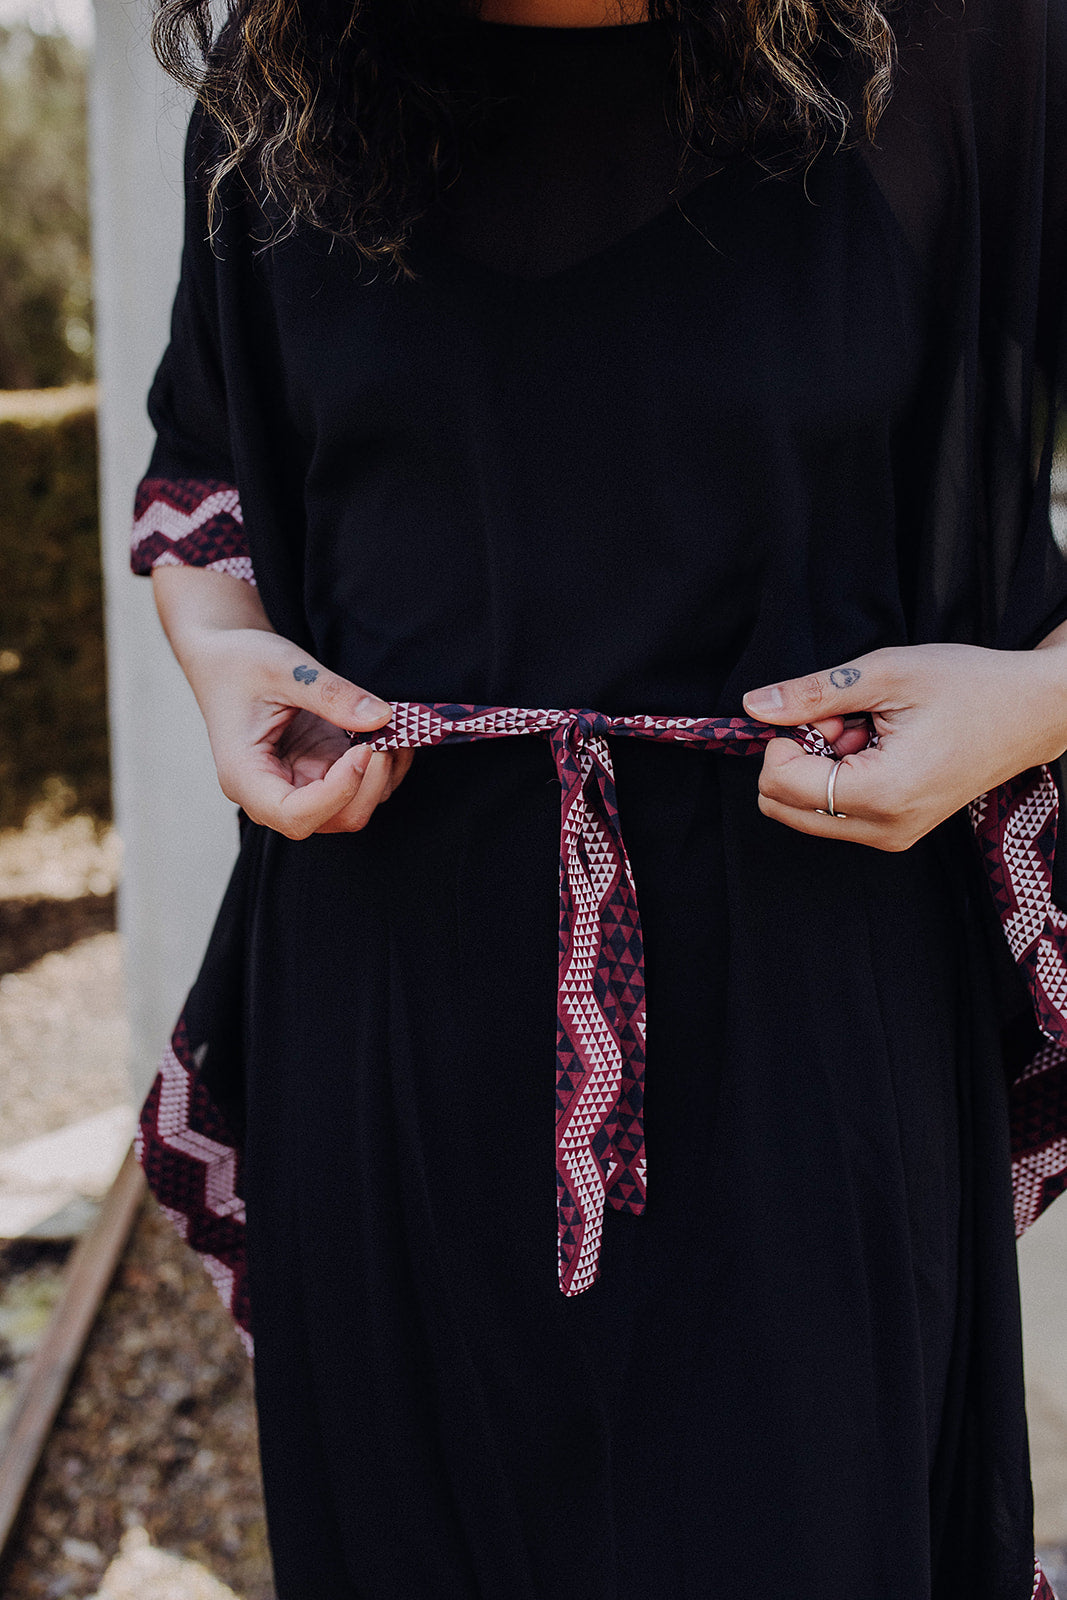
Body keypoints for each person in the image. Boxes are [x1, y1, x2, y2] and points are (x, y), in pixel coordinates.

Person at [130, 0, 1067, 1592]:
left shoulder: (978, 49)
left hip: (812, 1019)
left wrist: (1032, 705)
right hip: (390, 1033)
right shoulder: (287, 82)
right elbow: (206, 468)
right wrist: (223, 657)